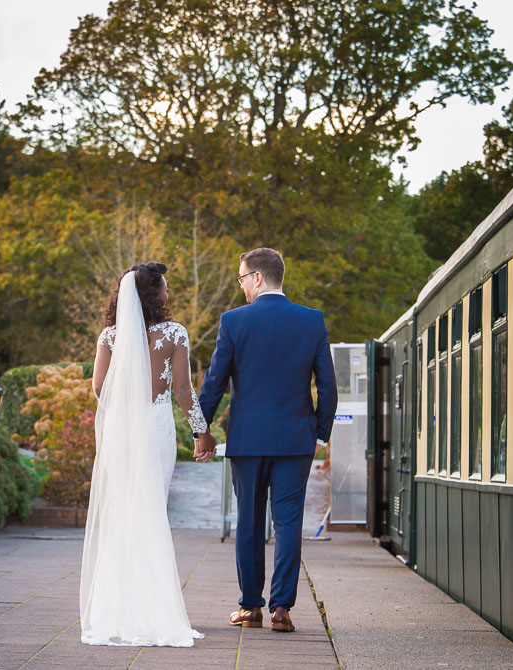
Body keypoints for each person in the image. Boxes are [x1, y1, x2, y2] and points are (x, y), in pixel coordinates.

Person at [196, 247, 337, 633]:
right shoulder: (312, 321)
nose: (241, 287)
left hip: (248, 440)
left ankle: (250, 607)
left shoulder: (233, 322)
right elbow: (327, 384)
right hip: (296, 440)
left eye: (242, 278)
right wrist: (319, 432)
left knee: (250, 522)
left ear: (257, 278)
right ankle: (282, 609)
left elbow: (214, 384)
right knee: (288, 522)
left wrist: (200, 432)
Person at [80, 262, 208, 647]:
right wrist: (202, 432)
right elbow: (184, 391)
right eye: (165, 287)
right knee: (152, 511)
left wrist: (124, 414)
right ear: (154, 294)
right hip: (156, 431)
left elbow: (99, 387)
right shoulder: (174, 334)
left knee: (123, 514)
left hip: (123, 433)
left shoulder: (109, 336)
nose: (169, 293)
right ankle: (157, 612)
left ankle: (118, 612)